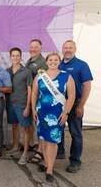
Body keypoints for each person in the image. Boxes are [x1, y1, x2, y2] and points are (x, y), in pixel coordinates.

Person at [31, 52, 75, 182]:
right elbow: (34, 93)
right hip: (41, 113)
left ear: (59, 61)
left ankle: (50, 170)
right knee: (44, 139)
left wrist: (66, 112)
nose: (53, 62)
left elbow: (71, 96)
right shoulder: (40, 76)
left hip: (58, 114)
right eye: (51, 60)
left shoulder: (66, 76)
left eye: (56, 60)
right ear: (47, 61)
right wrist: (33, 109)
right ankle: (46, 164)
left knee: (53, 141)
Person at [57, 40, 93, 173]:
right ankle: (59, 152)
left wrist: (81, 105)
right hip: (59, 104)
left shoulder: (82, 65)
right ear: (62, 49)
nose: (67, 50)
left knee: (76, 133)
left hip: (75, 104)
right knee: (58, 129)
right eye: (65, 48)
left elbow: (87, 86)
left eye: (70, 48)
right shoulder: (58, 64)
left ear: (75, 49)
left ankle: (75, 161)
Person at [5, 47, 33, 165]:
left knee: (25, 128)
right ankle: (15, 147)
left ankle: (25, 152)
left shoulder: (27, 71)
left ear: (20, 57)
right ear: (10, 57)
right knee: (14, 126)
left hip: (22, 104)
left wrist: (28, 106)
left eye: (17, 55)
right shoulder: (7, 71)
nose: (15, 58)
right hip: (10, 103)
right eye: (13, 56)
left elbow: (30, 90)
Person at [25, 39, 48, 163]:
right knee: (33, 123)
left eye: (36, 47)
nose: (33, 49)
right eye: (31, 47)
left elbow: (44, 83)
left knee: (40, 125)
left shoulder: (43, 63)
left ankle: (40, 151)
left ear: (41, 48)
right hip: (32, 96)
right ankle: (33, 145)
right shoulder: (30, 61)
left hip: (40, 98)